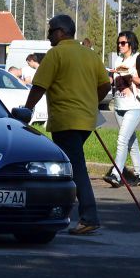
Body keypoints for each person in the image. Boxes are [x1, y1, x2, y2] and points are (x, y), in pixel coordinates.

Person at [24, 15, 110, 235]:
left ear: (61, 32)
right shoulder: (89, 54)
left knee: (76, 168)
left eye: (51, 31)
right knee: (71, 166)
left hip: (66, 120)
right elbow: (105, 85)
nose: (48, 35)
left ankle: (90, 216)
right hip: (88, 120)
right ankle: (66, 210)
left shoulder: (56, 54)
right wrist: (92, 101)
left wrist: (27, 110)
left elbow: (39, 86)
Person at [103, 31, 140, 188]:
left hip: (134, 106)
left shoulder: (137, 59)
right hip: (119, 106)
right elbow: (111, 81)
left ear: (131, 44)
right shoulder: (118, 61)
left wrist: (130, 76)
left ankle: (116, 174)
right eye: (118, 43)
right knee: (131, 142)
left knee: (122, 140)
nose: (120, 45)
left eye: (123, 43)